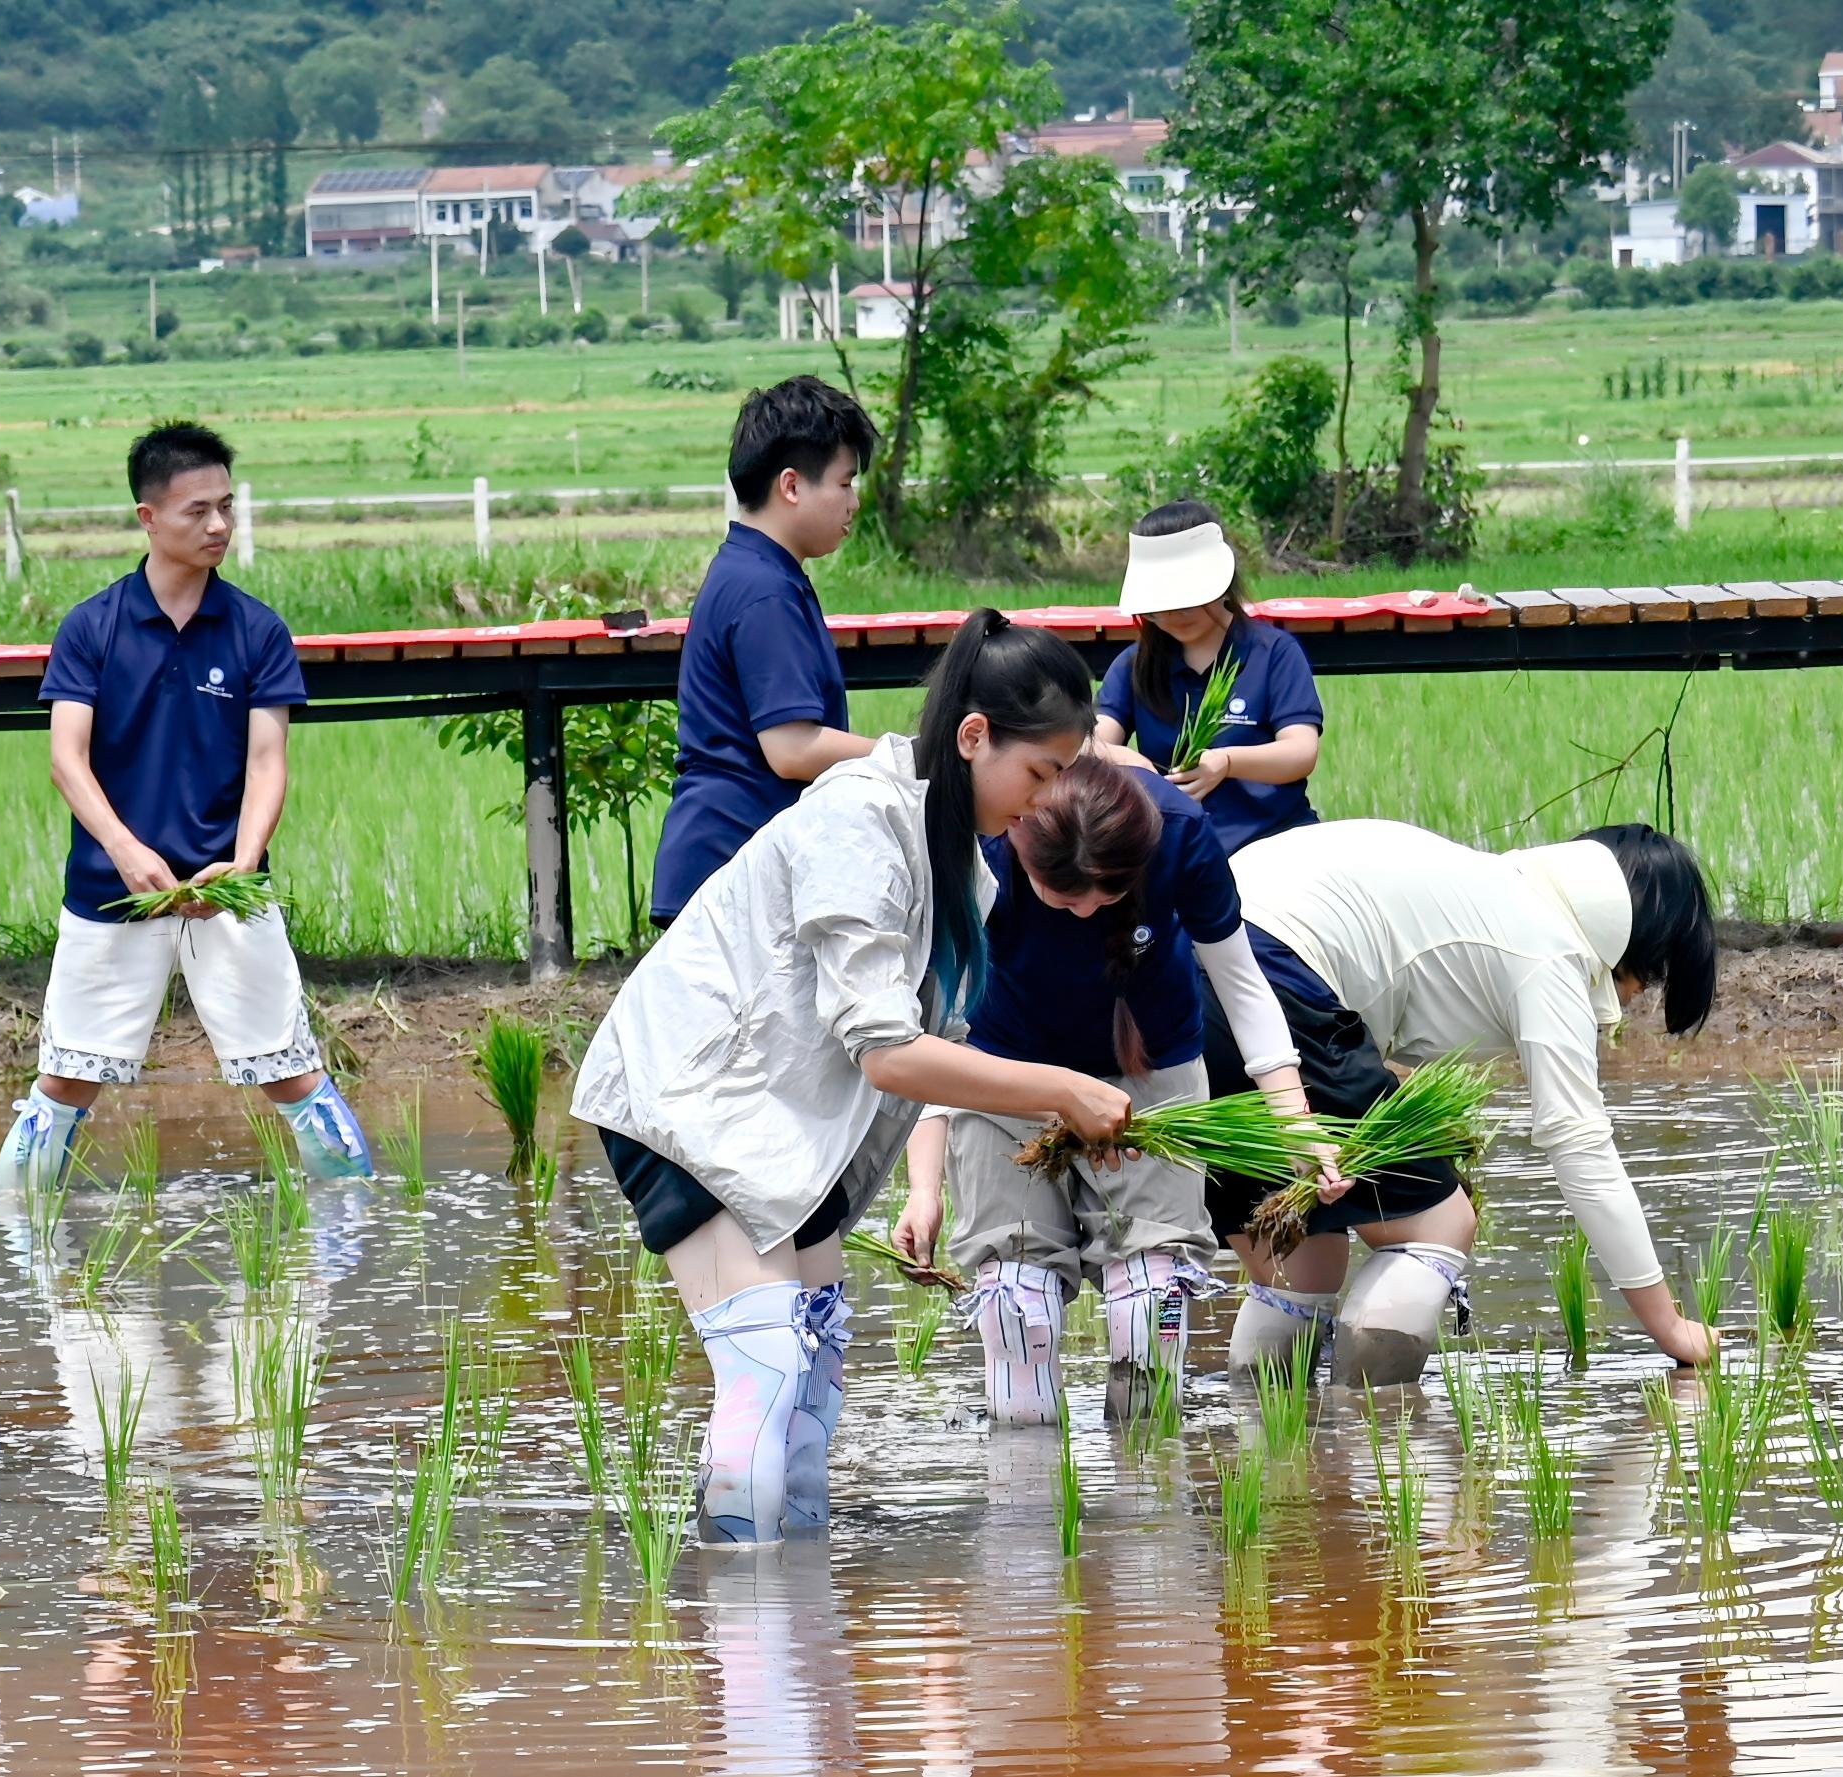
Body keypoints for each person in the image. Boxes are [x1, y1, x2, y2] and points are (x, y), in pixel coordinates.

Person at [572, 610, 1134, 1547]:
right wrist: (1061, 1089)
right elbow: (884, 1048)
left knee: (816, 1370)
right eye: (1037, 774)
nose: (1042, 807)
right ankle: (749, 1633)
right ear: (972, 736)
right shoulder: (858, 817)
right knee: (764, 1371)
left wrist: (929, 1182)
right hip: (691, 1104)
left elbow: (920, 1054)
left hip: (789, 1130)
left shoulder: (964, 867)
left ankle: (794, 1625)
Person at [0, 424, 374, 1200]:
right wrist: (127, 851)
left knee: (294, 1074)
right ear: (147, 516)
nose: (219, 526)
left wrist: (241, 860)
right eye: (199, 510)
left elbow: (268, 762)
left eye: (227, 507)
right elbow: (68, 759)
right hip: (110, 890)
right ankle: (20, 1250)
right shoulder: (91, 628)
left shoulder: (256, 629)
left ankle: (351, 1250)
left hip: (228, 893)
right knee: (65, 1081)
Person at [1205, 818, 1725, 1384]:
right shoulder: (1549, 948)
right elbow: (1582, 1151)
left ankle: (1270, 1455)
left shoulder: (1486, 892)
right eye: (1651, 976)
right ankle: (1371, 1440)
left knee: (1299, 1260)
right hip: (1275, 970)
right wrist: (1670, 1328)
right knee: (1439, 1224)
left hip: (1198, 966)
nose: (1638, 993)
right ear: (1639, 939)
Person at [891, 757, 1326, 1424]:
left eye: (1106, 897)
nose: (1087, 912)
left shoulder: (1178, 832)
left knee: (1151, 1298)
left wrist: (1297, 1124)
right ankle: (1027, 1508)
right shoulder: (982, 847)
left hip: (1150, 1075)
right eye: (1065, 899)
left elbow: (1241, 985)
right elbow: (934, 1031)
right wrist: (924, 1189)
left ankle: (1148, 1507)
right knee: (1016, 1303)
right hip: (1005, 1074)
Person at [648, 376, 877, 928]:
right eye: (845, 483)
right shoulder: (764, 590)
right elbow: (792, 748)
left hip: (732, 863)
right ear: (792, 486)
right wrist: (912, 756)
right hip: (730, 870)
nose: (853, 501)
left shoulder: (757, 572)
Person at [1093, 501, 1324, 857]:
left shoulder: (1273, 653)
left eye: (1188, 599)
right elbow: (1089, 745)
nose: (1173, 615)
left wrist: (1227, 762)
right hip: (1178, 851)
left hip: (1277, 847)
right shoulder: (1134, 665)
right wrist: (1132, 763)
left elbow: (1300, 751)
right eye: (1159, 606)